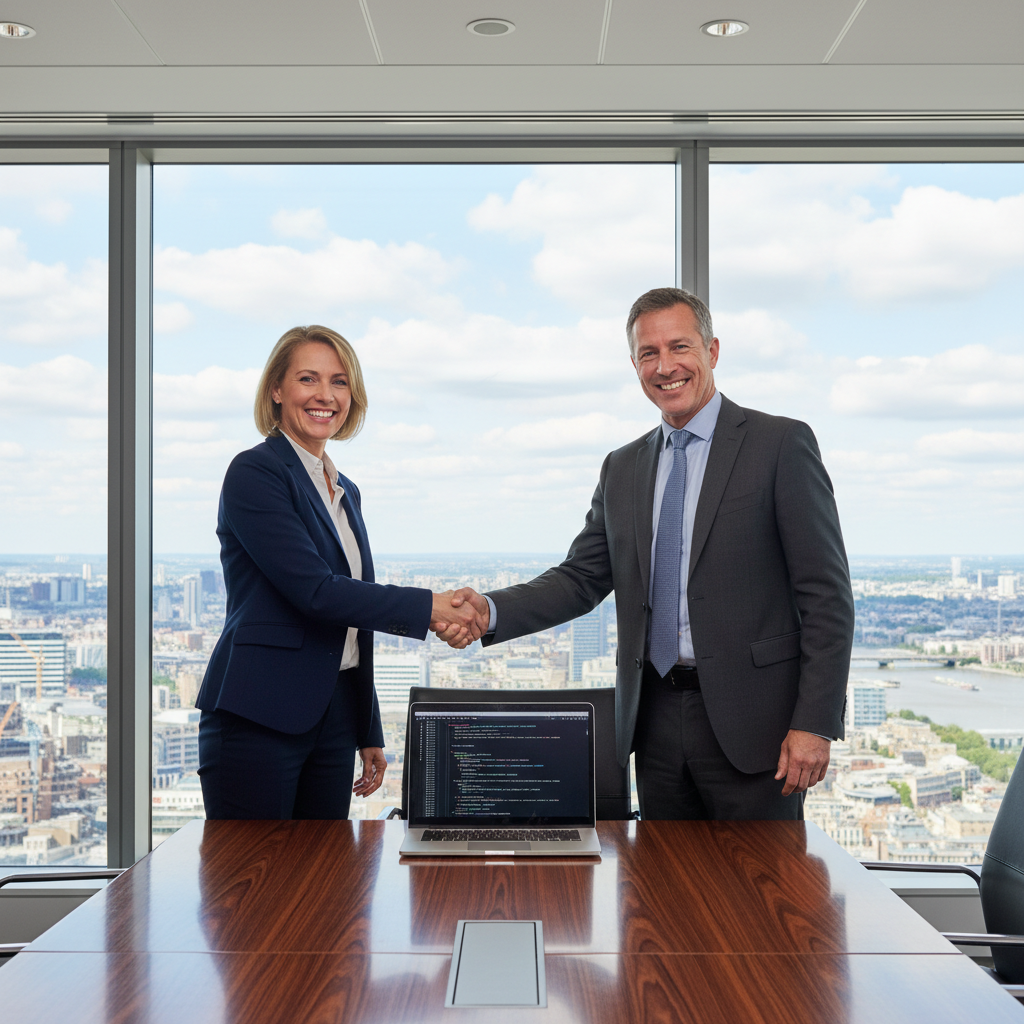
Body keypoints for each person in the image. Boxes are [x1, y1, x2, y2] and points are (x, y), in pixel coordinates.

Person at [437, 288, 854, 820]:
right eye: (648, 354)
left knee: (756, 896)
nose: (665, 366)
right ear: (634, 364)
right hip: (652, 720)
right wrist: (488, 610)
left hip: (756, 727)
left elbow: (827, 597)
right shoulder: (623, 466)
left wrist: (814, 722)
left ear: (713, 350)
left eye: (679, 347)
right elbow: (581, 578)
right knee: (663, 893)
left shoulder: (780, 445)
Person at [196, 324, 483, 819]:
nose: (325, 395)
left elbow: (350, 619)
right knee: (251, 886)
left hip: (332, 719)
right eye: (308, 379)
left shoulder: (344, 488)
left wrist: (366, 728)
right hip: (258, 713)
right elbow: (318, 593)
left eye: (340, 382)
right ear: (277, 390)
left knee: (322, 883)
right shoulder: (255, 472)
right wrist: (431, 605)